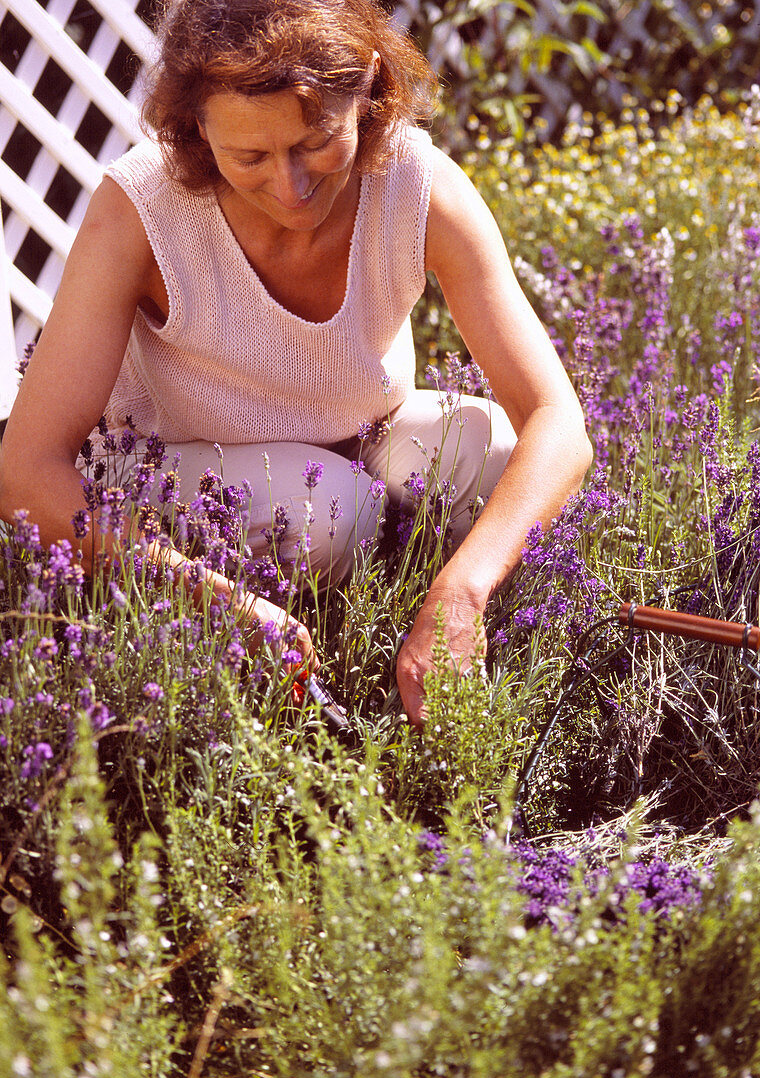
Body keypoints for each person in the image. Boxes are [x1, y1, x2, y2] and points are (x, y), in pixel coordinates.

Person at [0, 0, 592, 726]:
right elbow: (26, 468)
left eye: (316, 142)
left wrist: (459, 595)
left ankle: (428, 652)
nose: (291, 188)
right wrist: (207, 594)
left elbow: (558, 422)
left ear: (369, 86)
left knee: (492, 453)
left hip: (353, 440)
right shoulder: (141, 210)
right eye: (249, 156)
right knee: (328, 513)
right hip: (170, 471)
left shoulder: (417, 183)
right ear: (193, 124)